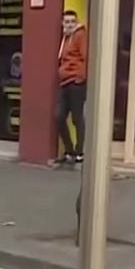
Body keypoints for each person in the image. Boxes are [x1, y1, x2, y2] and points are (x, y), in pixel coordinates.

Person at [56, 9, 88, 166]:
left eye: (72, 22)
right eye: (67, 22)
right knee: (59, 117)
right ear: (62, 23)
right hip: (64, 83)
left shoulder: (80, 35)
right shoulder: (65, 38)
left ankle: (80, 152)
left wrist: (80, 78)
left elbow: (86, 57)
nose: (69, 24)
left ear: (76, 22)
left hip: (75, 82)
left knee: (77, 118)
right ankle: (69, 151)